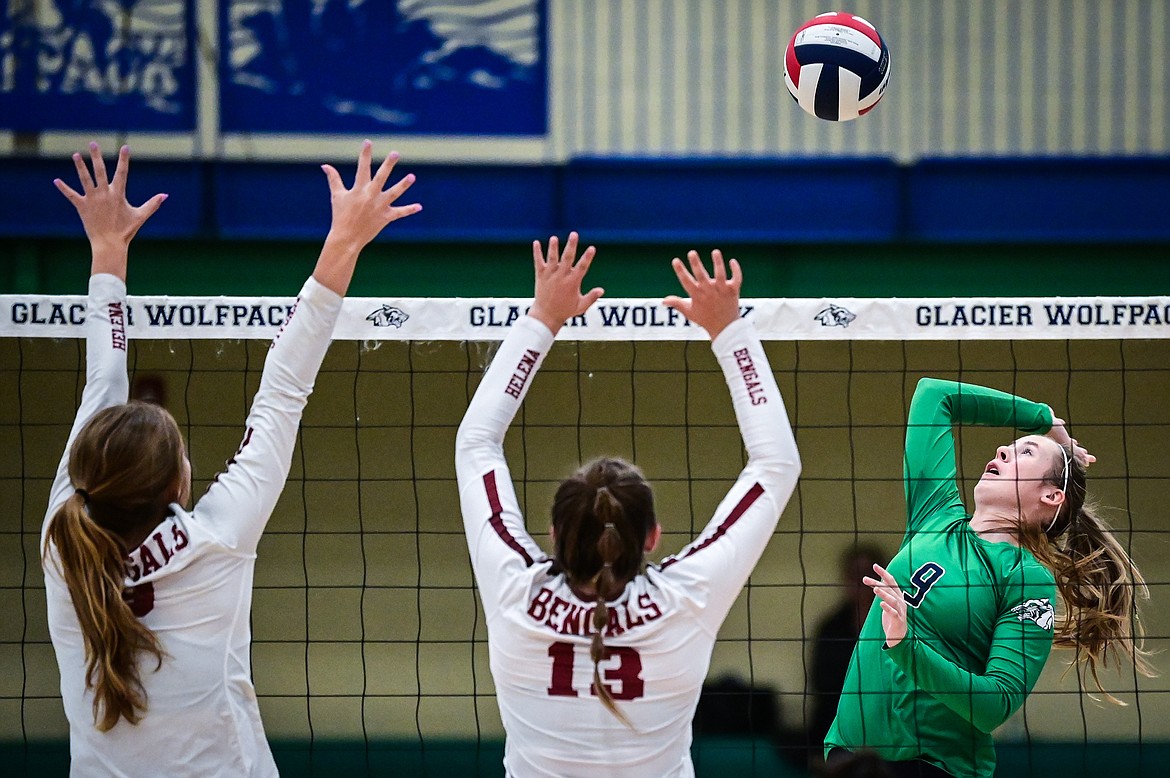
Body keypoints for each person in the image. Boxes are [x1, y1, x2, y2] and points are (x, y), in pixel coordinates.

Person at [42, 140, 420, 776]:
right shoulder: (214, 540)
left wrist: (107, 254)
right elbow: (282, 391)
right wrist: (344, 242)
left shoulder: (63, 536)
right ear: (177, 485)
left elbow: (102, 390)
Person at [455, 237, 801, 776]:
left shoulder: (514, 592)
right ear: (652, 537)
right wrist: (730, 331)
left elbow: (476, 444)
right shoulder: (686, 599)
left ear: (553, 533)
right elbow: (776, 465)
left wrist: (543, 317)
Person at [825, 378, 1153, 778]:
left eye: (1025, 451)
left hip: (934, 768)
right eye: (1011, 446)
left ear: (1051, 496)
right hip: (848, 759)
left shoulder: (1026, 579)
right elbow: (934, 395)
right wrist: (1043, 419)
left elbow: (996, 703)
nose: (1002, 449)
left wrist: (905, 645)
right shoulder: (935, 515)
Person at [807, 542, 887, 756]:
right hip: (837, 726)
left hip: (888, 729)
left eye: (867, 573)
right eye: (854, 575)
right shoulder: (831, 627)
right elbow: (820, 682)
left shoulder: (897, 623)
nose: (860, 582)